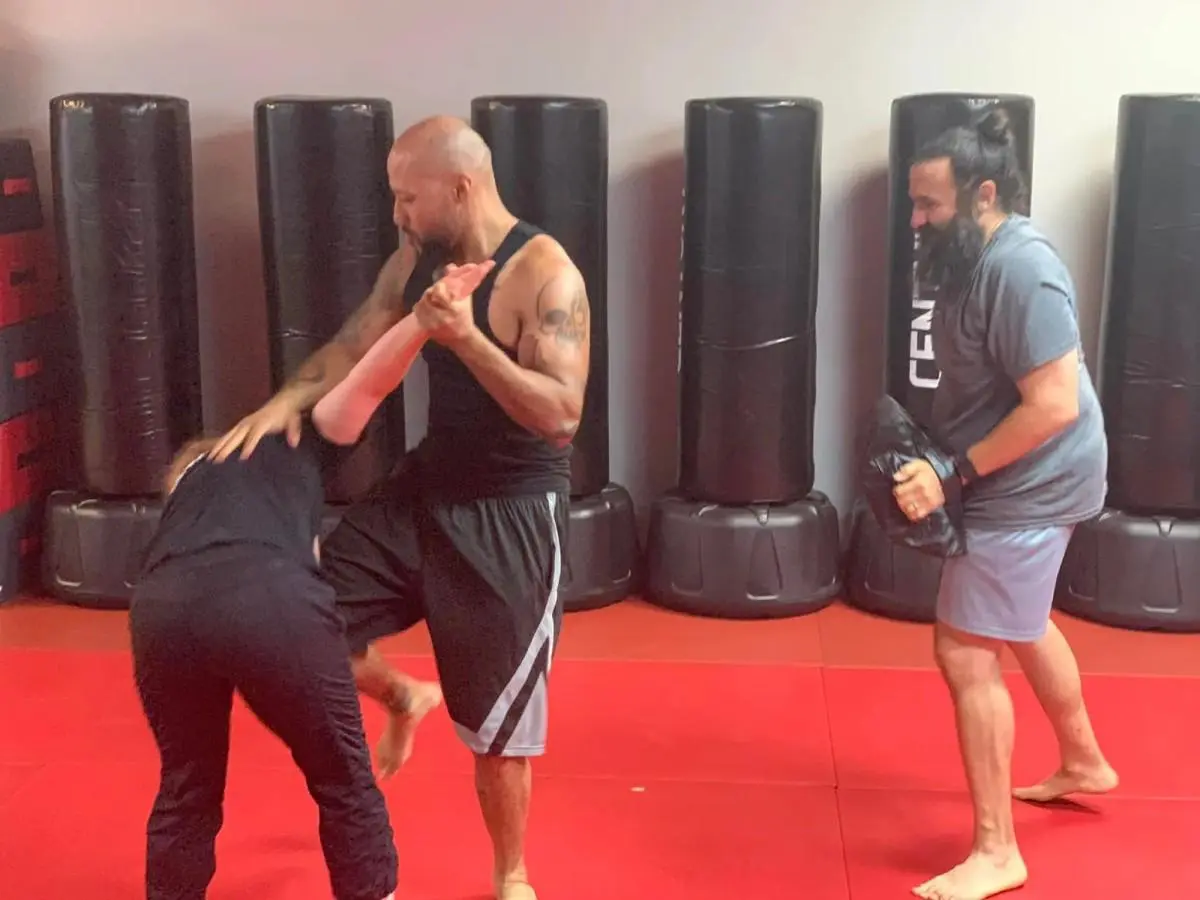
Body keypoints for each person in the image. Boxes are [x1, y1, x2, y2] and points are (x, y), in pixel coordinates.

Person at [209, 115, 590, 900]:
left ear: (460, 187)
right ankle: (402, 693)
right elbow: (355, 340)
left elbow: (561, 414)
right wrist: (282, 403)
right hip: (423, 490)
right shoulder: (423, 255)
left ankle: (510, 873)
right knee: (296, 619)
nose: (397, 214)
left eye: (406, 198)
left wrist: (468, 341)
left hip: (510, 512)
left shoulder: (545, 274)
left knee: (499, 731)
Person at [890, 107, 1120, 900]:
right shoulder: (967, 255)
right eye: (913, 204)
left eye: (929, 206)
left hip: (1032, 480)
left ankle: (997, 851)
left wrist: (950, 472)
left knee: (964, 650)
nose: (916, 220)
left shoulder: (1022, 268)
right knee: (1022, 620)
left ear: (984, 192)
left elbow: (1053, 401)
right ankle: (1086, 757)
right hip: (1013, 473)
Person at [129, 419, 428, 900]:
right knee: (343, 778)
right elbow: (307, 589)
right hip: (269, 595)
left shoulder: (190, 492)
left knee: (186, 785)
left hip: (162, 607)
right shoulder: (290, 463)